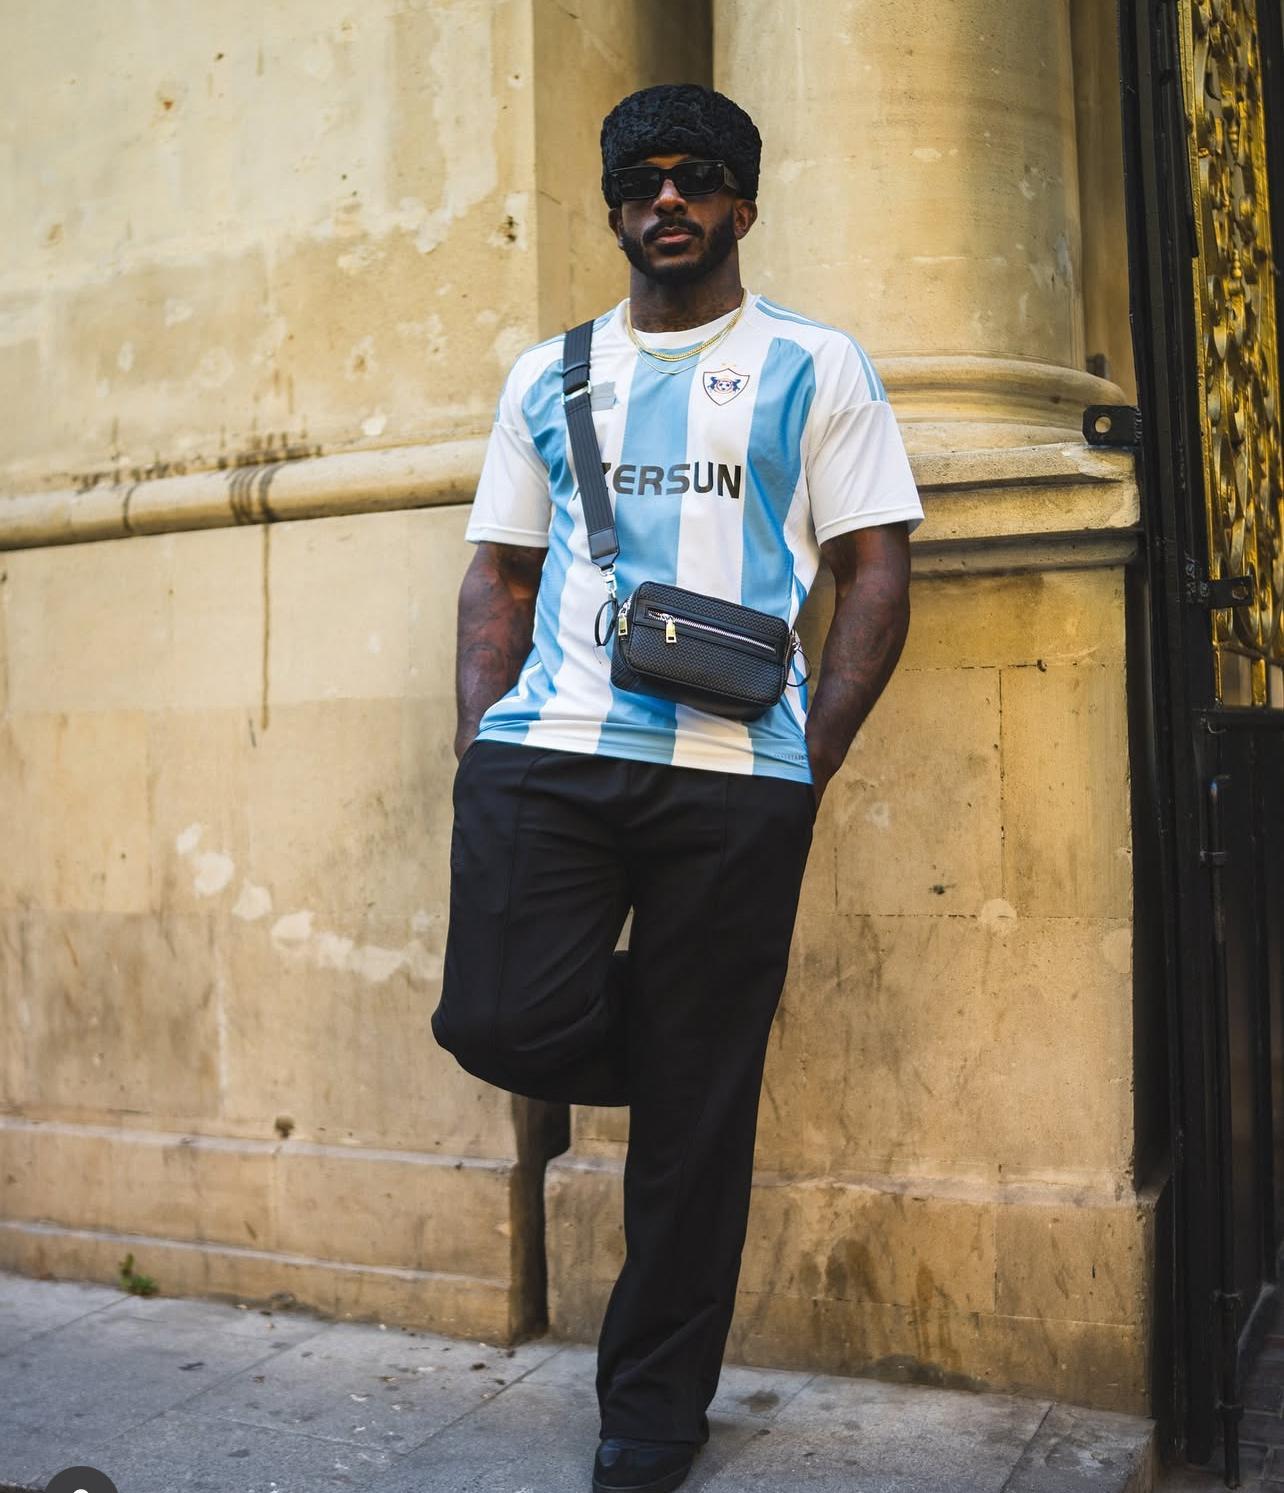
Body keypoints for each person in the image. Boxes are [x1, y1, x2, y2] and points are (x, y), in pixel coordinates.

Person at [431, 83, 923, 1493]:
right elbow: (499, 575)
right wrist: (482, 747)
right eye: (641, 179)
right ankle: (698, 1062)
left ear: (740, 203)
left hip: (736, 776)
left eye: (696, 176)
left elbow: (876, 572)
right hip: (552, 757)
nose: (667, 199)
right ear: (612, 207)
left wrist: (806, 762)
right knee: (496, 1015)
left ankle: (651, 1414)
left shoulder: (815, 365)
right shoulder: (549, 374)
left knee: (694, 1136)